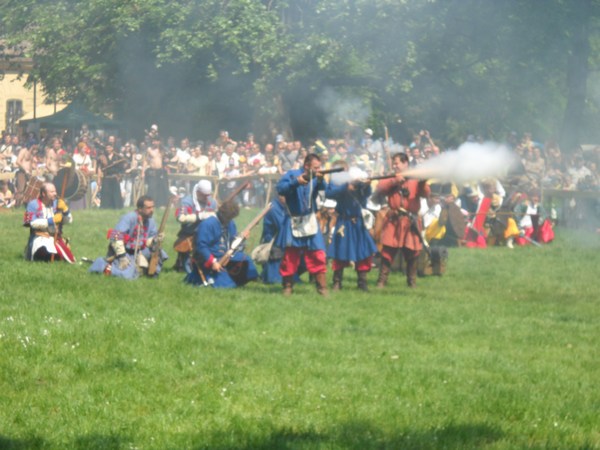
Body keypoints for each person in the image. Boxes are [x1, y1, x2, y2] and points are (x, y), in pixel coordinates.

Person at [374, 152, 430, 288]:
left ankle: (411, 282)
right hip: (394, 219)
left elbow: (426, 193)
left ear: (405, 163)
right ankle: (381, 281)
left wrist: (423, 183)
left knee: (413, 253)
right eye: (394, 163)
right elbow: (380, 188)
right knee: (387, 251)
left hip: (410, 220)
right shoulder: (391, 178)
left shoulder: (415, 179)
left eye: (397, 163)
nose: (394, 166)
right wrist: (394, 181)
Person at [276, 153, 329, 296]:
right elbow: (280, 189)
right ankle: (287, 287)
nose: (318, 169)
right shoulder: (292, 174)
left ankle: (322, 288)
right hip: (293, 220)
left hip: (310, 220)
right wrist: (296, 182)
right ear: (306, 166)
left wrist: (321, 181)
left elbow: (325, 193)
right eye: (315, 167)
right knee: (290, 256)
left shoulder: (317, 177)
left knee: (317, 254)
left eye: (319, 167)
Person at [89, 195, 168, 278]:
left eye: (152, 207)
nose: (152, 210)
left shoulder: (151, 220)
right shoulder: (128, 218)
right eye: (148, 208)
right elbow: (115, 236)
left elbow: (148, 241)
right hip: (124, 252)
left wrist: (156, 239)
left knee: (159, 252)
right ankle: (102, 265)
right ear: (140, 209)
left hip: (140, 250)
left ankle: (149, 273)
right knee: (128, 274)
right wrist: (122, 257)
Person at [325, 165, 378, 291]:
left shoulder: (360, 181)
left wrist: (366, 185)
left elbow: (366, 195)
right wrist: (346, 186)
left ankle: (362, 283)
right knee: (340, 252)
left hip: (358, 222)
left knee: (362, 252)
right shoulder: (338, 182)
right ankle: (337, 282)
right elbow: (329, 193)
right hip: (344, 222)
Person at [184, 200, 258, 288]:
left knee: (246, 260)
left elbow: (232, 242)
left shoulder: (230, 223)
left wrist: (242, 238)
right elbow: (201, 246)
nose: (229, 220)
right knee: (228, 285)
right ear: (222, 214)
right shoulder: (208, 224)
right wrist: (213, 262)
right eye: (228, 217)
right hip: (209, 259)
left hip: (226, 256)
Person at [172, 180, 218, 272]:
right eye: (204, 195)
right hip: (190, 233)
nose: (207, 198)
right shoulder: (187, 201)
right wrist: (199, 216)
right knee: (189, 264)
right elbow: (180, 218)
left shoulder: (212, 202)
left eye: (208, 195)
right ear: (198, 192)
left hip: (206, 234)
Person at [23, 182, 75, 263]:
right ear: (43, 193)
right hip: (39, 237)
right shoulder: (32, 204)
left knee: (65, 257)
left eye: (55, 191)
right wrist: (51, 221)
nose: (55, 194)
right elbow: (29, 222)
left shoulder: (58, 203)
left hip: (56, 238)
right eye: (52, 192)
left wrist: (65, 210)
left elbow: (69, 221)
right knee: (44, 249)